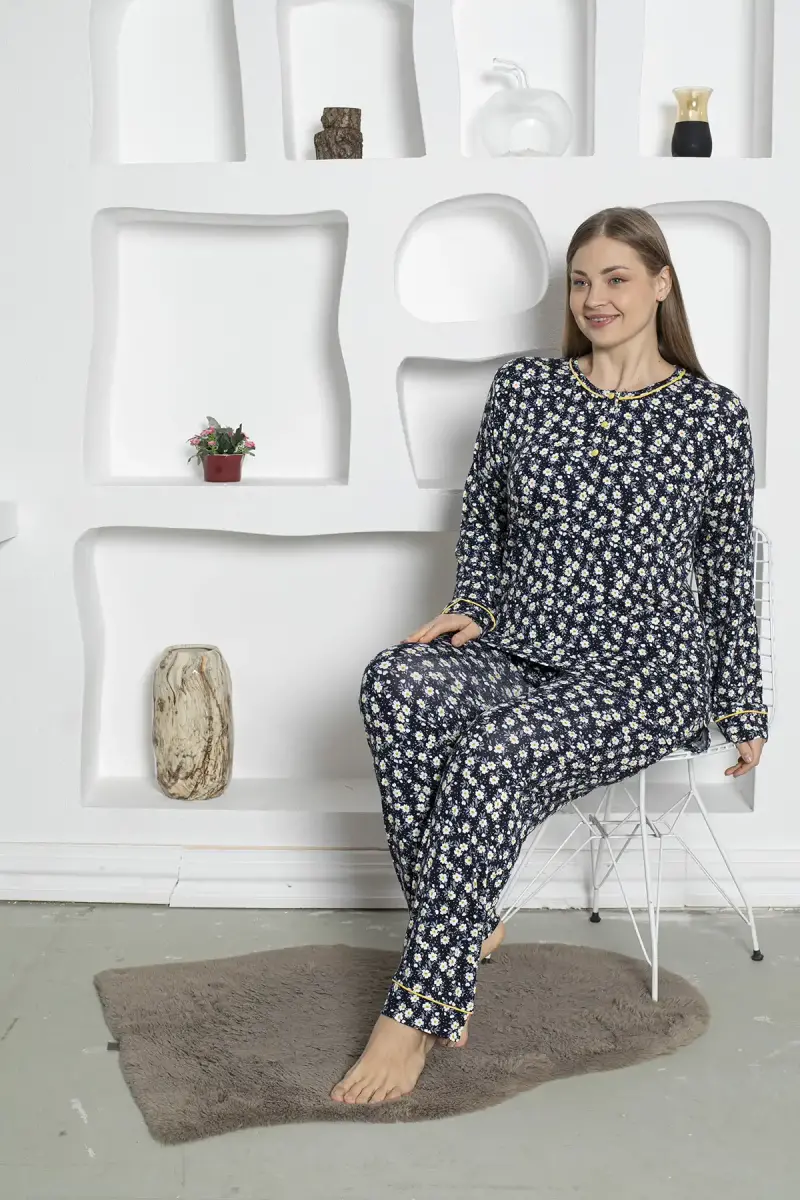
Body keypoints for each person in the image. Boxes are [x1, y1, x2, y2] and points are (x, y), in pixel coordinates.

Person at [329, 206, 768, 1106]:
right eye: (580, 281)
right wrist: (472, 605)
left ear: (661, 284)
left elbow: (729, 568)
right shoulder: (526, 389)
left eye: (616, 278)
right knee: (397, 682)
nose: (595, 298)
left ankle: (416, 1012)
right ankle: (464, 915)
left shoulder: (712, 417)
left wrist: (743, 702)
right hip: (523, 646)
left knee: (495, 752)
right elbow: (485, 516)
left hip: (645, 676)